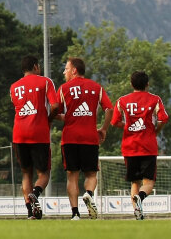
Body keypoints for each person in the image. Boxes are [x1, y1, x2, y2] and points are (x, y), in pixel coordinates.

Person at [58, 57, 112, 219]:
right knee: (91, 174)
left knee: (72, 176)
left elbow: (55, 110)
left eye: (66, 69)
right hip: (90, 137)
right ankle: (89, 193)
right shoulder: (96, 87)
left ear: (74, 70)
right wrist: (103, 129)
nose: (64, 72)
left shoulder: (64, 88)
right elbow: (109, 108)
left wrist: (64, 117)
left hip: (70, 138)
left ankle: (75, 214)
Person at [112, 70, 168, 220]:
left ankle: (138, 212)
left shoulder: (122, 100)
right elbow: (163, 118)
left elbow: (114, 121)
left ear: (131, 84)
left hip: (129, 147)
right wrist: (155, 130)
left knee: (134, 182)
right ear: (147, 84)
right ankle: (141, 198)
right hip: (148, 146)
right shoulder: (155, 100)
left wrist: (127, 126)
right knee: (149, 182)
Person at [9, 55, 60, 219]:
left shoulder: (13, 87)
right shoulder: (45, 82)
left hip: (19, 134)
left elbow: (17, 107)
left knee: (26, 174)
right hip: (39, 133)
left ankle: (31, 212)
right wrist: (49, 118)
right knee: (43, 173)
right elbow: (55, 105)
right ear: (36, 67)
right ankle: (36, 194)